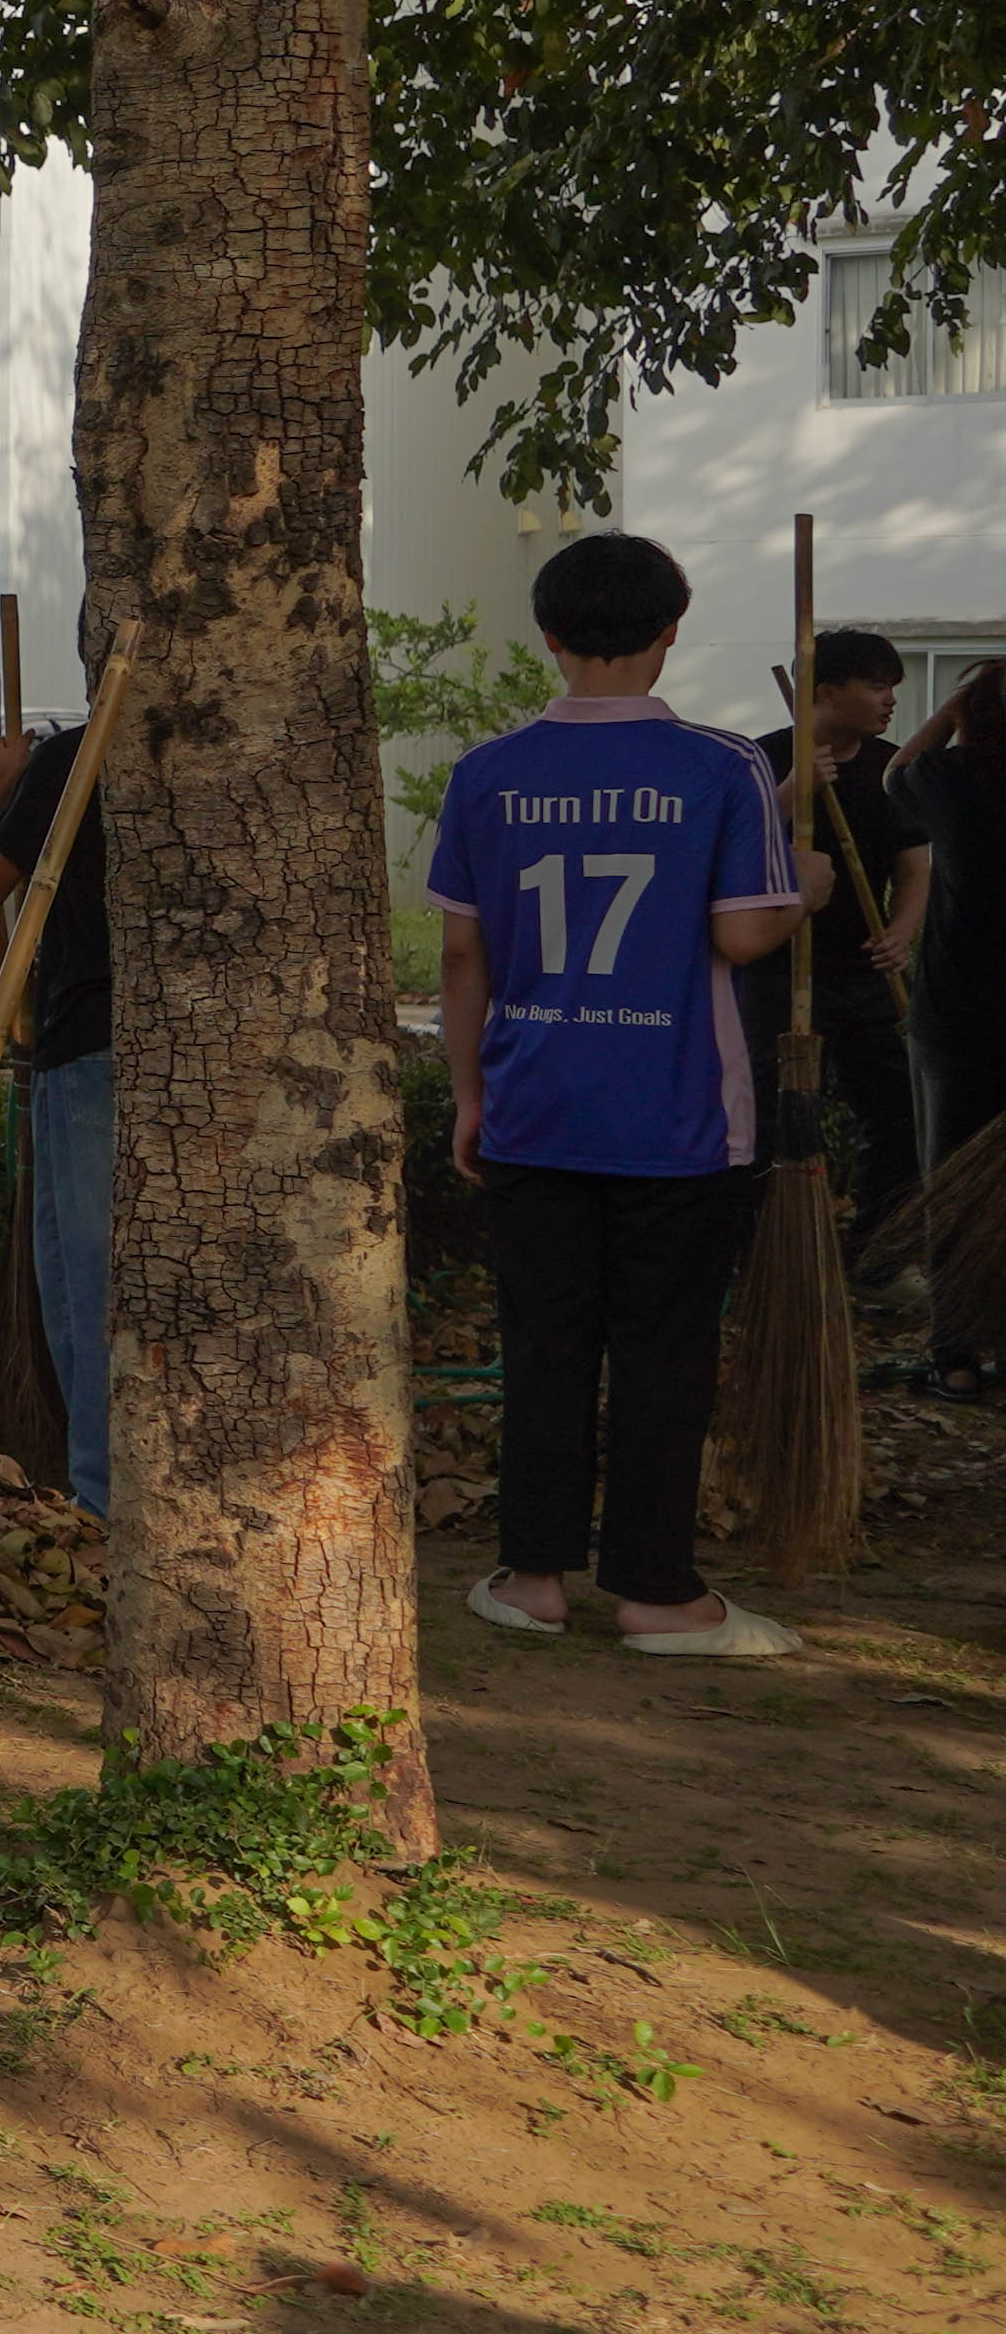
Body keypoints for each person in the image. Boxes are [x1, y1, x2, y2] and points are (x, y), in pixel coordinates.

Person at [437, 531, 821, 1655]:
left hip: (533, 1106)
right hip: (679, 1115)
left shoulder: (486, 772)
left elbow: (461, 957)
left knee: (544, 1345)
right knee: (664, 1350)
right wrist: (806, 890)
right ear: (670, 632)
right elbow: (743, 935)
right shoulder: (723, 766)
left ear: (547, 636)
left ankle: (533, 1579)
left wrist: (469, 1096)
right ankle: (658, 1595)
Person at [0, 691, 123, 1509]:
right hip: (171, 1050)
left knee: (79, 1278)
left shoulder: (71, 760)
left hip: (85, 1039)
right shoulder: (202, 753)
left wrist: (3, 784)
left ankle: (102, 1496)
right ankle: (105, 1485)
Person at [750, 628, 928, 1270]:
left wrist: (901, 931)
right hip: (775, 971)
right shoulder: (763, 760)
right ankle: (766, 1258)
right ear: (826, 691)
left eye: (892, 689)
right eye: (877, 687)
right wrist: (791, 792)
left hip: (863, 974)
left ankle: (875, 1255)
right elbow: (726, 853)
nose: (890, 702)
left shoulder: (893, 768)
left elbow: (915, 865)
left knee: (900, 1113)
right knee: (768, 1118)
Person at [873, 658, 1002, 1395]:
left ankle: (956, 1357)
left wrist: (956, 708)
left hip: (957, 1015)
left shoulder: (953, 781)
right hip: (965, 1017)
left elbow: (895, 772)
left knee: (951, 1182)